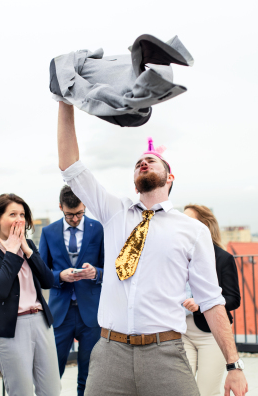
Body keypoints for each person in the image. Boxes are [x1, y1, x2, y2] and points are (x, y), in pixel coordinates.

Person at [56, 102, 248, 396]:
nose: (143, 163)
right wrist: (65, 101)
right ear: (135, 183)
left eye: (152, 161)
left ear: (170, 178)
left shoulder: (192, 230)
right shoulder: (113, 211)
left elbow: (211, 300)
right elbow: (70, 166)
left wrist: (234, 366)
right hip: (110, 353)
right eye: (138, 163)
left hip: (165, 353)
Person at [0, 194, 60, 396]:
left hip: (41, 322)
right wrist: (11, 252)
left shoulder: (29, 245)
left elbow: (48, 281)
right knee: (21, 392)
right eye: (12, 214)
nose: (19, 219)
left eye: (22, 214)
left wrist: (28, 251)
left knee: (52, 390)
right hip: (12, 327)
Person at [39, 185, 105, 396]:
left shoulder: (99, 228)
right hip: (60, 314)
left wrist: (96, 272)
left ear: (85, 205)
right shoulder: (48, 232)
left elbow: (110, 269)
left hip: (91, 314)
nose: (75, 219)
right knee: (51, 373)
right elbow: (42, 273)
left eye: (79, 214)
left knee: (89, 376)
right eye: (69, 215)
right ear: (60, 207)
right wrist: (59, 276)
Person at [182, 204, 241, 396]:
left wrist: (201, 305)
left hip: (211, 334)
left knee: (207, 392)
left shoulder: (223, 258)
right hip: (181, 331)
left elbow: (233, 299)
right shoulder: (179, 255)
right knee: (182, 390)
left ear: (204, 225)